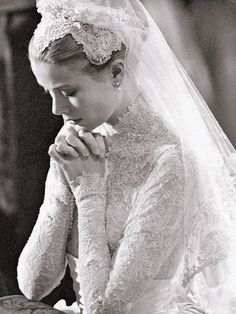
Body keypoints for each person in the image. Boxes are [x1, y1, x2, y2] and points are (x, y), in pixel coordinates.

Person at [3, 0, 236, 313]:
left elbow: (107, 309)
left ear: (116, 72)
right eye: (49, 93)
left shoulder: (169, 161)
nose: (57, 110)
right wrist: (61, 187)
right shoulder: (76, 140)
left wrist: (88, 192)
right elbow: (33, 285)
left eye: (69, 92)